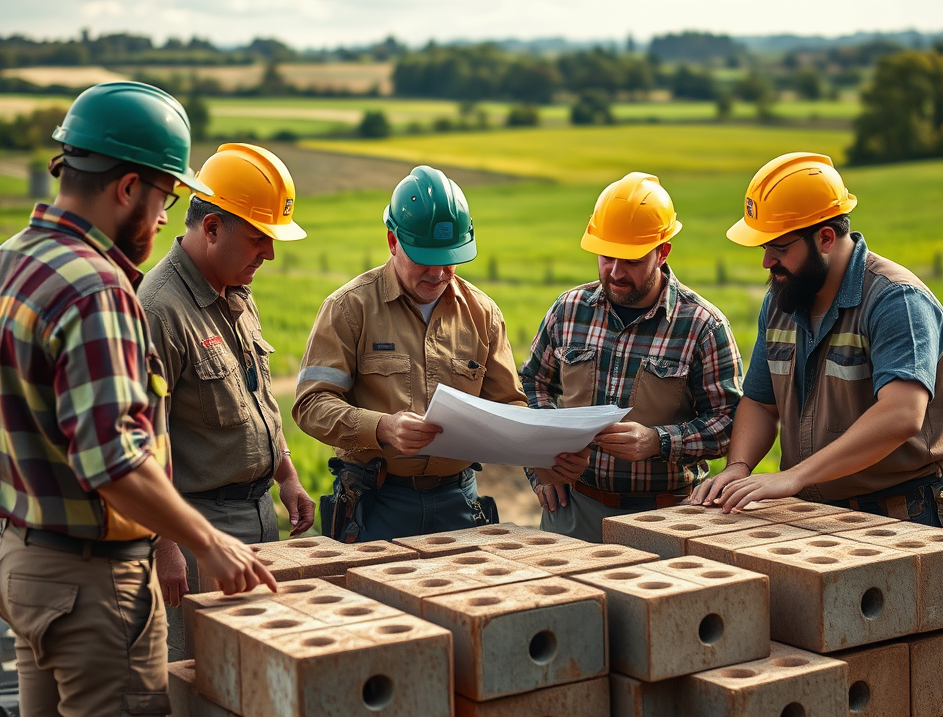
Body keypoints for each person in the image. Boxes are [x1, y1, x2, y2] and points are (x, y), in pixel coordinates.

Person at [0, 82, 275, 717]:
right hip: (94, 583)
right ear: (128, 188)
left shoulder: (13, 261)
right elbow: (113, 461)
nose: (164, 218)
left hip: (25, 563)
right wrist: (207, 541)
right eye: (166, 198)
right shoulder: (96, 288)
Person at [294, 165, 581, 542]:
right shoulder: (349, 308)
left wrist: (548, 452)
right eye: (423, 258)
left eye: (450, 258)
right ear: (392, 241)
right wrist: (382, 428)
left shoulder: (483, 314)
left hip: (458, 498)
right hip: (375, 500)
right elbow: (310, 405)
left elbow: (510, 407)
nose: (438, 272)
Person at [690, 152, 943, 531]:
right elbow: (760, 402)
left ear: (825, 238)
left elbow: (902, 413)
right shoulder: (783, 299)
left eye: (779, 248)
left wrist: (796, 475)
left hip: (908, 513)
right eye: (764, 249)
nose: (767, 263)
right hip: (817, 511)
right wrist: (739, 466)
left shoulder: (896, 300)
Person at [138, 143, 316, 661]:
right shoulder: (159, 310)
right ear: (212, 228)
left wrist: (286, 476)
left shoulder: (237, 289)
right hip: (196, 534)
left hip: (258, 517)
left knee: (257, 669)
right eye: (260, 237)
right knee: (202, 672)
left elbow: (256, 394)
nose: (270, 253)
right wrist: (166, 546)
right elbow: (143, 443)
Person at [520, 172, 744, 543]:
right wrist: (541, 464)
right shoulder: (568, 310)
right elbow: (531, 384)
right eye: (607, 256)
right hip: (572, 511)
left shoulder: (702, 326)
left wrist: (658, 442)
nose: (616, 272)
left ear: (663, 251)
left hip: (666, 519)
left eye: (632, 260)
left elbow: (728, 423)